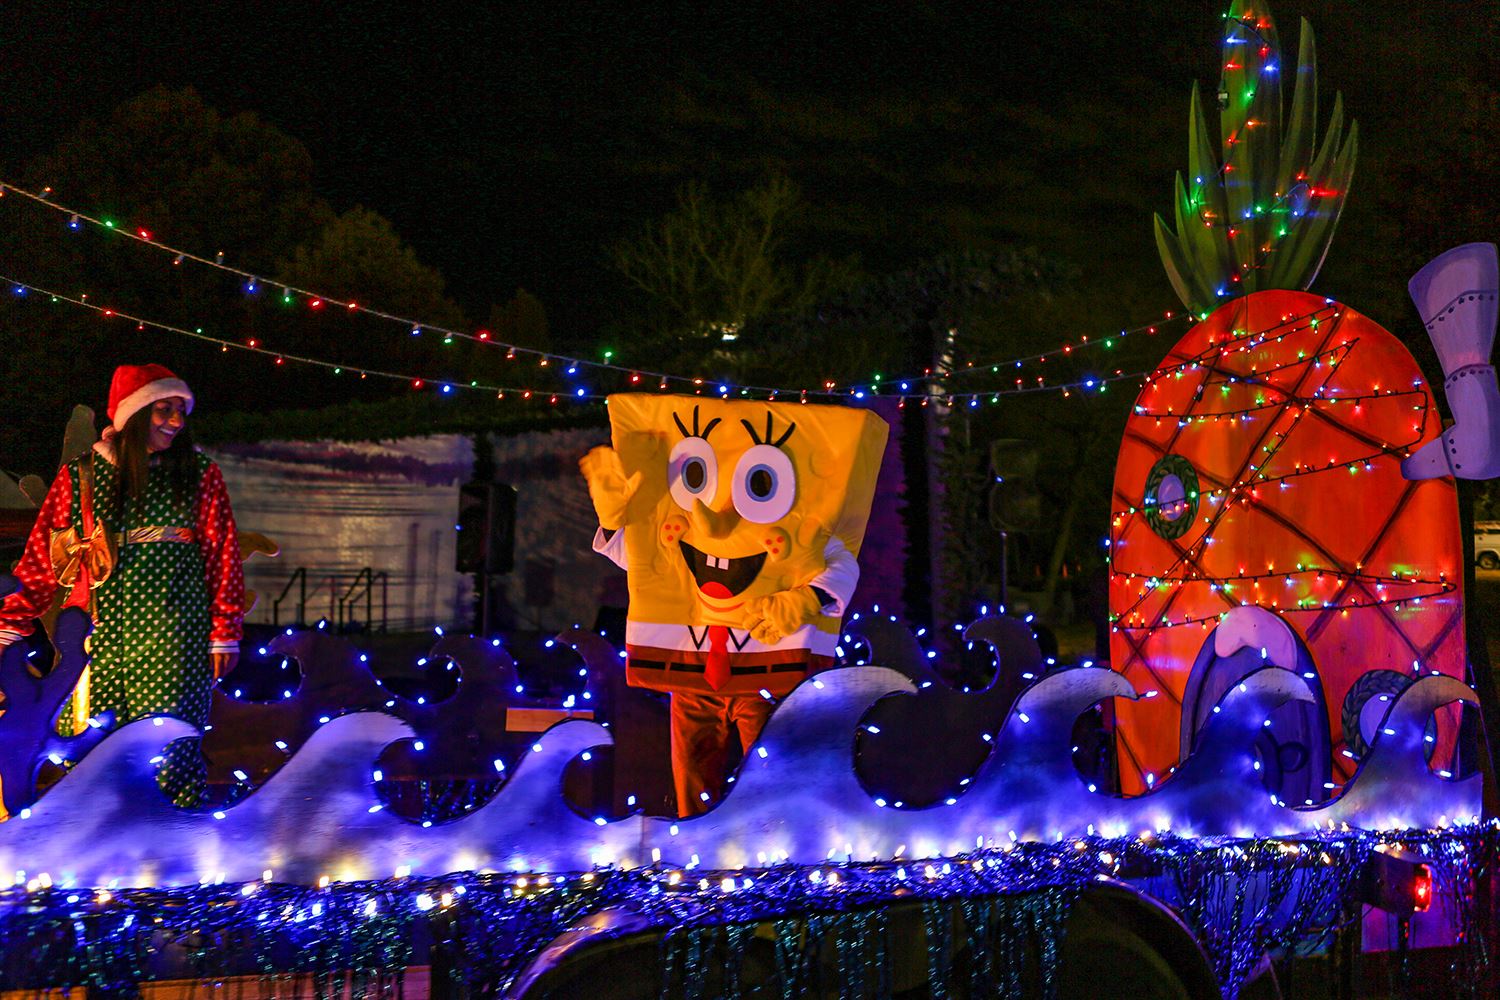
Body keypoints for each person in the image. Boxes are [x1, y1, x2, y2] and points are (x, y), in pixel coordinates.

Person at [0, 364, 245, 805]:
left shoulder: (199, 473)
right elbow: (42, 553)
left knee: (170, 744)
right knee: (97, 746)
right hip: (99, 635)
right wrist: (11, 624)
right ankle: (101, 850)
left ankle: (172, 853)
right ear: (133, 415)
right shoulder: (82, 476)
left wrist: (223, 632)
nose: (175, 421)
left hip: (175, 632)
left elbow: (221, 555)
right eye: (163, 409)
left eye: (179, 411)